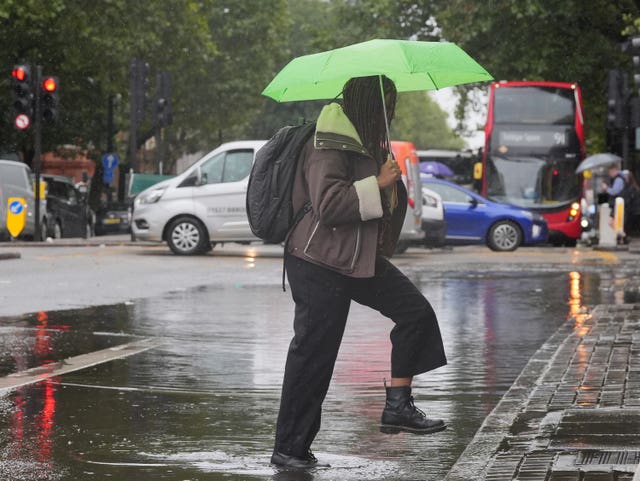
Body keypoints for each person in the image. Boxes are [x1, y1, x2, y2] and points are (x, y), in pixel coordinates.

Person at [270, 75, 447, 469]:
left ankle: (398, 405)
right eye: (387, 103)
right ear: (367, 104)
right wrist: (376, 182)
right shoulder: (329, 141)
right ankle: (289, 449)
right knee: (313, 356)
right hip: (317, 260)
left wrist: (388, 189)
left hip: (352, 258)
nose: (393, 112)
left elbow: (375, 212)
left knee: (415, 313)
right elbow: (330, 206)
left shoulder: (363, 141)